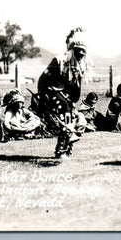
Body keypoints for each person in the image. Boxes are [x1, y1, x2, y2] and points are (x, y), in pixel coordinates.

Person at [33, 27, 91, 159]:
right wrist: (42, 96)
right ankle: (61, 149)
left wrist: (72, 101)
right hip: (50, 91)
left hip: (64, 94)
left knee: (73, 115)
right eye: (78, 52)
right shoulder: (59, 61)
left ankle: (65, 149)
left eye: (83, 53)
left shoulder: (80, 66)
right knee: (65, 110)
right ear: (72, 50)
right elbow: (43, 79)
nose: (81, 55)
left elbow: (76, 88)